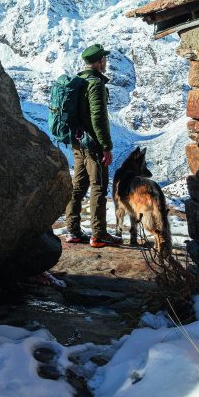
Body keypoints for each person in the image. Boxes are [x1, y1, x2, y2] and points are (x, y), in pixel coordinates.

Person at [64, 43, 122, 248]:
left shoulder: (79, 81)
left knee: (78, 187)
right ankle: (99, 234)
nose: (106, 62)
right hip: (92, 144)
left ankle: (72, 231)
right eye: (104, 59)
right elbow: (98, 117)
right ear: (99, 62)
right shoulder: (95, 84)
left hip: (77, 142)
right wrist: (106, 146)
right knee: (98, 186)